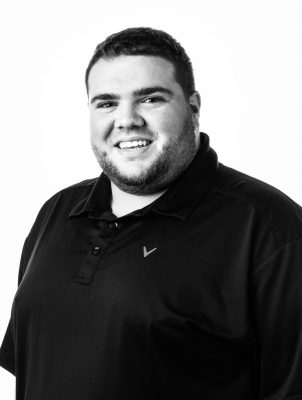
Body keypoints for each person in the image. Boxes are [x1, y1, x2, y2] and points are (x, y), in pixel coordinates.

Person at [0, 27, 302, 400]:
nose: (127, 120)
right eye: (107, 103)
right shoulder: (57, 212)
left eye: (150, 99)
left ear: (193, 106)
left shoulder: (269, 228)